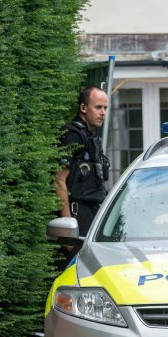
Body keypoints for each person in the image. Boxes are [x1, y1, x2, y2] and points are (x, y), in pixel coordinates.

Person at [56, 86, 110, 236]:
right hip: (77, 215)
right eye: (98, 107)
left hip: (93, 213)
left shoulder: (91, 136)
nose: (103, 113)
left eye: (105, 108)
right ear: (83, 108)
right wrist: (67, 227)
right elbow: (58, 180)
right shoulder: (71, 135)